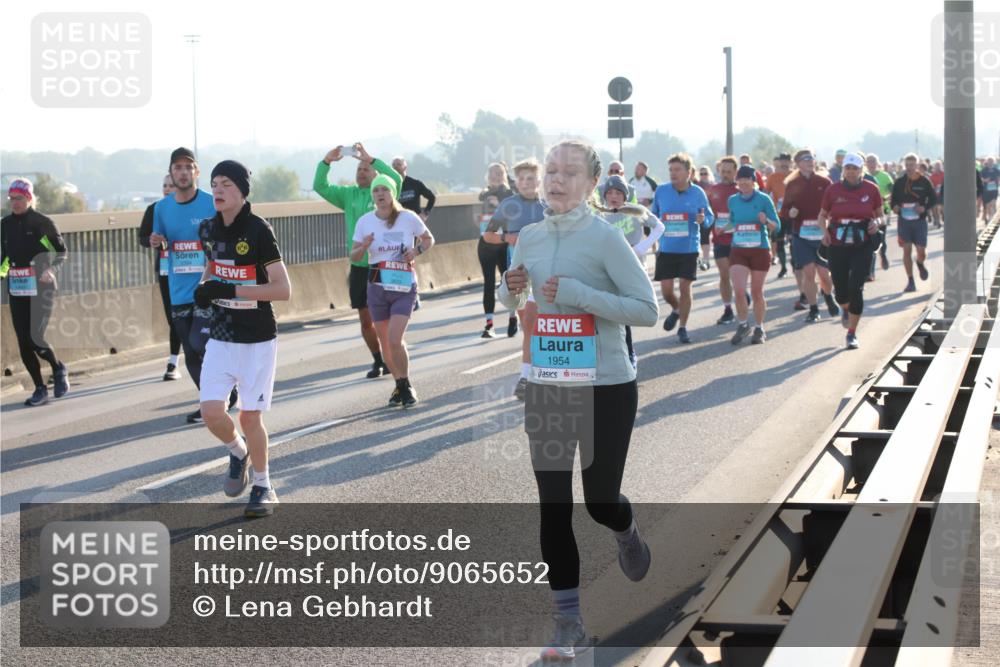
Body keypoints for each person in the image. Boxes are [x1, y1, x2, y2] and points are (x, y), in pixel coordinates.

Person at [498, 139, 658, 661]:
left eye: (569, 172)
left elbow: (645, 310)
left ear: (592, 185)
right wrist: (511, 285)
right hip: (548, 384)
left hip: (607, 385)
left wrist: (582, 296)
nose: (556, 179)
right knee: (553, 505)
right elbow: (514, 298)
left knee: (599, 500)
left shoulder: (607, 239)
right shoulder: (529, 235)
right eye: (551, 170)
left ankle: (626, 529)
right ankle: (567, 622)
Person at [193, 160, 291, 518]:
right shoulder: (207, 229)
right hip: (221, 336)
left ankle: (265, 486)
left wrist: (231, 288)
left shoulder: (258, 230)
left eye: (227, 184)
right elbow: (213, 267)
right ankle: (238, 452)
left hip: (257, 339)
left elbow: (283, 290)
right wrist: (205, 287)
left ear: (242, 191)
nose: (218, 190)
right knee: (211, 412)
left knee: (250, 417)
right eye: (215, 183)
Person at [313, 142, 403, 379]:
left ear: (376, 177)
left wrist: (370, 158)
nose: (361, 173)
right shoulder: (347, 195)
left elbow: (396, 178)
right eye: (358, 170)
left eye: (366, 170)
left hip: (383, 265)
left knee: (385, 319)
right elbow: (319, 186)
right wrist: (327, 161)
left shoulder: (384, 194)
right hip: (360, 266)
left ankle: (394, 355)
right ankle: (378, 360)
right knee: (366, 320)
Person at [351, 175, 435, 407]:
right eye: (376, 190)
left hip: (402, 285)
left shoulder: (408, 218)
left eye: (384, 190)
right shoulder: (365, 222)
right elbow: (353, 256)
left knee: (395, 338)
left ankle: (405, 384)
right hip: (377, 286)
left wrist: (415, 251)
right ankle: (400, 385)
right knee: (386, 342)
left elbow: (429, 239)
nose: (380, 194)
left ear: (392, 194)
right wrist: (364, 247)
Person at [150, 147, 219, 423]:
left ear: (196, 173)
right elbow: (161, 239)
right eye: (177, 168)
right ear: (171, 173)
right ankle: (210, 402)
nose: (182, 172)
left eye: (187, 167)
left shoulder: (210, 202)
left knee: (204, 344)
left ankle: (222, 394)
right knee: (190, 351)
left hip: (209, 285)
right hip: (178, 288)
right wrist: (158, 241)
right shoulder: (161, 208)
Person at [1, 178, 70, 406]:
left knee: (35, 336)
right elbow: (5, 257)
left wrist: (51, 269)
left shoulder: (41, 223)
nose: (14, 203)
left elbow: (61, 253)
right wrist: (1, 275)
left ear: (29, 198)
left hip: (42, 288)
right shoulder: (6, 225)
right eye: (11, 199)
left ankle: (58, 367)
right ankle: (40, 388)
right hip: (19, 289)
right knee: (23, 341)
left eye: (19, 198)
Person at [484, 158, 546, 399]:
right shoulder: (508, 205)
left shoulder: (549, 205)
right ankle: (526, 377)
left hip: (549, 272)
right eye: (521, 179)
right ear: (516, 182)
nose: (526, 183)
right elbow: (488, 235)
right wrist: (506, 239)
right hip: (520, 275)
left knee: (546, 325)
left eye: (531, 178)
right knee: (529, 325)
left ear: (539, 180)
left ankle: (542, 373)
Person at [595, 175, 664, 367]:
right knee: (611, 311)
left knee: (626, 311)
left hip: (634, 267)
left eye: (618, 192)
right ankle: (621, 353)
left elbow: (659, 227)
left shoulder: (636, 211)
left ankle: (628, 350)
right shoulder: (600, 215)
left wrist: (642, 247)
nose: (614, 196)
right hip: (609, 268)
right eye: (609, 193)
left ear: (625, 195)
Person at [819, 153, 883, 349]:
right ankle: (845, 308)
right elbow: (822, 216)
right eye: (848, 168)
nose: (851, 172)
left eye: (855, 169)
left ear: (861, 170)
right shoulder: (833, 190)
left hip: (862, 242)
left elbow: (881, 215)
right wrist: (824, 232)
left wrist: (876, 224)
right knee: (841, 292)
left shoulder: (871, 189)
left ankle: (852, 333)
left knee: (856, 287)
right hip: (838, 242)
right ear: (843, 170)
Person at [652, 153, 714, 344]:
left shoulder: (697, 193)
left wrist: (703, 221)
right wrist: (654, 225)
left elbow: (710, 218)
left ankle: (683, 328)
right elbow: (652, 216)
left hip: (689, 248)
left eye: (677, 170)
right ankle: (676, 308)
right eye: (671, 170)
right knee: (667, 291)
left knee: (685, 287)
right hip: (667, 248)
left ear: (689, 172)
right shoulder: (661, 191)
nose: (673, 173)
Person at [781, 149, 840, 322]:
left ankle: (829, 297)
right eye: (805, 159)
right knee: (808, 273)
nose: (809, 161)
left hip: (822, 234)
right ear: (797, 163)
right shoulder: (792, 184)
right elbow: (784, 210)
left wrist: (829, 222)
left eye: (811, 159)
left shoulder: (824, 182)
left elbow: (834, 206)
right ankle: (813, 309)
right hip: (801, 235)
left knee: (824, 274)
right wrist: (789, 213)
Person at [725, 165, 779, 344]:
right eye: (740, 180)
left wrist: (767, 220)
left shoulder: (764, 199)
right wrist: (722, 228)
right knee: (739, 291)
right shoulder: (732, 200)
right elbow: (733, 221)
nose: (743, 183)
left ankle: (759, 327)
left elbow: (776, 225)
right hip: (739, 249)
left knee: (756, 292)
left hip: (760, 249)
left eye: (746, 179)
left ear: (754, 181)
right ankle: (742, 324)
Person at [139, 174, 181, 381]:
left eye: (171, 185)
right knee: (173, 316)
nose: (167, 189)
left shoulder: (191, 209)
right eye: (164, 185)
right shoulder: (155, 209)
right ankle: (173, 362)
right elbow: (143, 238)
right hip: (165, 268)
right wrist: (152, 240)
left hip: (192, 268)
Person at [476, 163, 514, 338]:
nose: (496, 176)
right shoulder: (483, 194)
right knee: (488, 283)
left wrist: (499, 205)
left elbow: (514, 215)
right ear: (487, 175)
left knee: (508, 281)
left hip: (503, 243)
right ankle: (489, 324)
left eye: (499, 173)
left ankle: (513, 316)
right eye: (492, 172)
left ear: (505, 175)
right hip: (486, 243)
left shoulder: (509, 194)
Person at [891, 153, 937, 293]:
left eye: (912, 165)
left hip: (919, 220)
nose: (910, 167)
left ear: (918, 165)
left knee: (921, 251)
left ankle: (920, 263)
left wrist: (924, 207)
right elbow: (893, 201)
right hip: (904, 221)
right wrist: (895, 207)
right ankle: (910, 280)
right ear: (904, 166)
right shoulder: (899, 182)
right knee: (906, 250)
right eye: (907, 165)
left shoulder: (924, 181)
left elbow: (933, 199)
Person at [707, 156, 739, 324]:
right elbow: (708, 213)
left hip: (740, 239)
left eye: (729, 172)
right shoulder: (713, 190)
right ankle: (728, 309)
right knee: (724, 274)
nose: (725, 174)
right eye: (723, 171)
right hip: (720, 239)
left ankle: (742, 294)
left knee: (737, 274)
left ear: (735, 172)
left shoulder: (741, 190)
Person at [865, 154, 894, 274]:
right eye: (869, 161)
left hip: (883, 210)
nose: (871, 163)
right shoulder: (862, 176)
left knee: (881, 236)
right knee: (869, 240)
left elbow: (893, 191)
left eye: (873, 161)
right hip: (868, 211)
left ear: (877, 163)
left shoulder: (885, 176)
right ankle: (870, 270)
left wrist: (886, 198)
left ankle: (883, 254)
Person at [766, 153, 792, 277]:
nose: (784, 164)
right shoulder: (773, 177)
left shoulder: (796, 175)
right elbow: (766, 193)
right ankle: (783, 268)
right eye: (782, 162)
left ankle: (796, 263)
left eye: (787, 162)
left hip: (794, 214)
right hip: (778, 214)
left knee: (793, 240)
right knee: (779, 241)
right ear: (778, 163)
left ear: (791, 163)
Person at [391, 156, 436, 221]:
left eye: (399, 164)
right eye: (393, 165)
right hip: (397, 221)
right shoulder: (390, 185)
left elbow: (432, 197)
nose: (395, 167)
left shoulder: (415, 183)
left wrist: (425, 213)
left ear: (405, 167)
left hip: (415, 221)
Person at [982, 156, 999, 224]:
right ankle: (990, 218)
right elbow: (980, 179)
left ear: (993, 162)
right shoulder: (984, 170)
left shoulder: (996, 170)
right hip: (986, 190)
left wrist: (997, 181)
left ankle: (994, 220)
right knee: (988, 205)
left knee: (994, 204)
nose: (990, 162)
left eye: (991, 161)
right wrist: (986, 180)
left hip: (994, 189)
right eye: (989, 161)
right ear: (987, 162)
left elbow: (998, 177)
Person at [929, 160, 945, 228]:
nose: (938, 167)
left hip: (943, 193)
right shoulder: (932, 175)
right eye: (936, 166)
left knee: (942, 208)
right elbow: (930, 184)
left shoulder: (944, 174)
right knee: (936, 208)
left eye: (939, 166)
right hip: (935, 194)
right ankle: (937, 221)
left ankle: (943, 217)